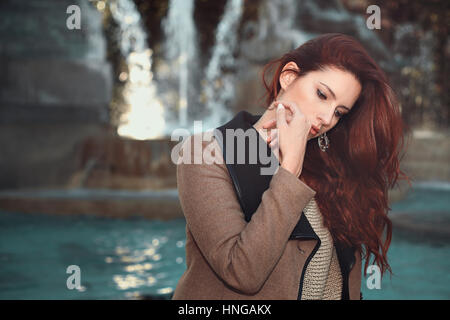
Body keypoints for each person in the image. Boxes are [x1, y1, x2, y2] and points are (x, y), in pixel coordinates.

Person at [172, 33, 409, 300]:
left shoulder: (332, 165)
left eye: (340, 112)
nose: (327, 117)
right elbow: (241, 273)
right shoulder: (205, 153)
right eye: (322, 94)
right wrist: (290, 168)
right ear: (289, 76)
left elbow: (346, 278)